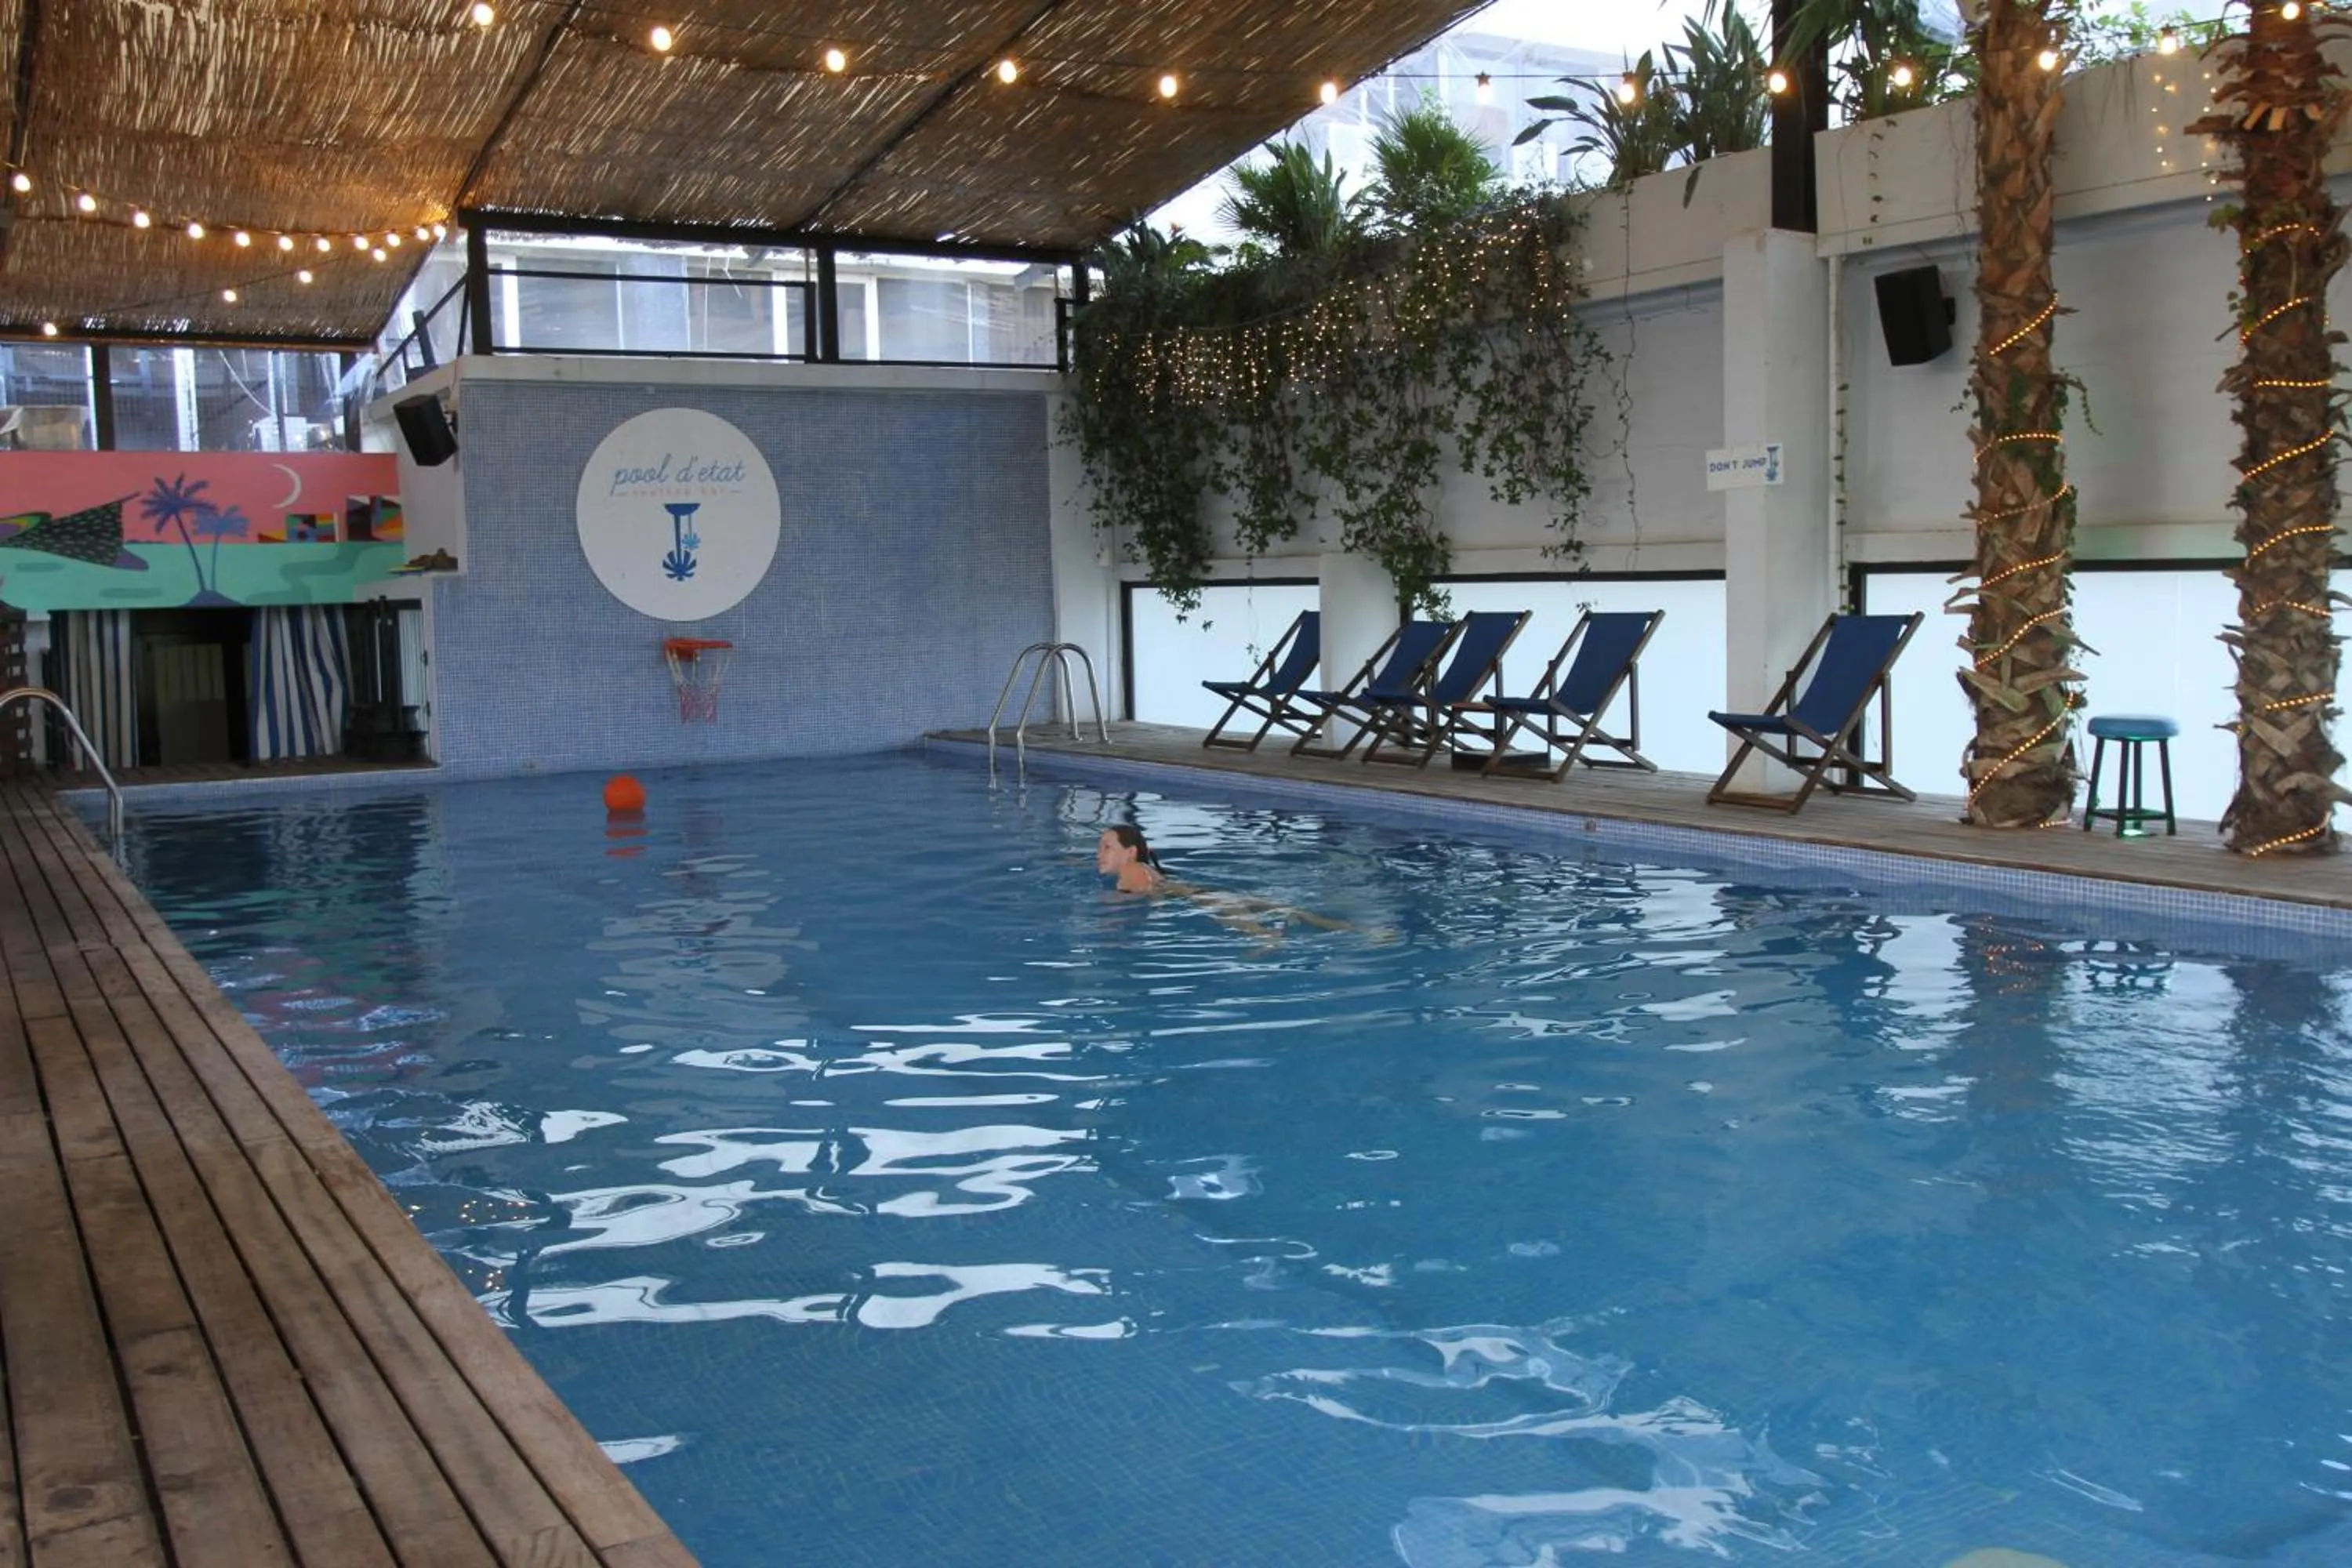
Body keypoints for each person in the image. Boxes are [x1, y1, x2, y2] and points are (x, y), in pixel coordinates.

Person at [1094, 823, 1363, 942]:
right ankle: (1361, 931)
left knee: (1251, 927)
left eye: (1107, 847)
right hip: (1206, 891)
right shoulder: (1145, 868)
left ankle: (1268, 938)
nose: (1099, 854)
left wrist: (1105, 908)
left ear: (1130, 852)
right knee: (1290, 910)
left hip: (1201, 898)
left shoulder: (1131, 870)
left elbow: (1135, 902)